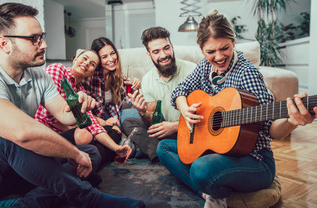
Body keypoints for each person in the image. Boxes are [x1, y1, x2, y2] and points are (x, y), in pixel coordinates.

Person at [0, 2, 144, 208]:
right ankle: (89, 199)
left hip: (16, 168)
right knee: (7, 140)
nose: (44, 45)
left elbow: (64, 116)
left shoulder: (38, 75)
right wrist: (74, 154)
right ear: (4, 44)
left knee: (90, 152)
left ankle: (27, 202)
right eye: (34, 39)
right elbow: (21, 133)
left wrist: (79, 105)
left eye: (42, 37)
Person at [156, 10, 317, 208]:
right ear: (202, 50)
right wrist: (184, 108)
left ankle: (217, 193)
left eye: (224, 48)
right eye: (210, 52)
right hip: (217, 152)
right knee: (164, 147)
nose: (218, 57)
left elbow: (271, 129)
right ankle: (214, 195)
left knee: (201, 169)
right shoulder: (204, 67)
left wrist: (291, 122)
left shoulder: (247, 74)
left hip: (254, 160)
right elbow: (180, 91)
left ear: (233, 42)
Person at [35, 49, 131, 168]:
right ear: (75, 59)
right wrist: (75, 126)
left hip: (65, 138)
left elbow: (92, 124)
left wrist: (117, 148)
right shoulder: (58, 69)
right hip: (44, 133)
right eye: (84, 58)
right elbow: (46, 113)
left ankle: (83, 165)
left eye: (92, 64)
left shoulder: (82, 91)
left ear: (92, 72)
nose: (86, 63)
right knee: (85, 136)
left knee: (103, 140)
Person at [122, 27, 196, 162]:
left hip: (192, 130)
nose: (163, 55)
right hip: (167, 135)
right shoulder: (147, 79)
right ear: (149, 55)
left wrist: (174, 126)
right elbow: (153, 122)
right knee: (129, 122)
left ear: (172, 47)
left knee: (160, 143)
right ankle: (166, 152)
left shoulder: (193, 70)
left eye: (166, 48)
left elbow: (206, 114)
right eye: (156, 52)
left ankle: (159, 152)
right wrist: (143, 112)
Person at [83, 37, 141, 133]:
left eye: (112, 53)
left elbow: (131, 101)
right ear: (97, 59)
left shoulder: (117, 76)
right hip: (96, 119)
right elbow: (84, 112)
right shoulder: (90, 77)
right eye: (104, 57)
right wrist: (104, 122)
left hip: (114, 114)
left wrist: (136, 89)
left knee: (138, 114)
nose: (111, 59)